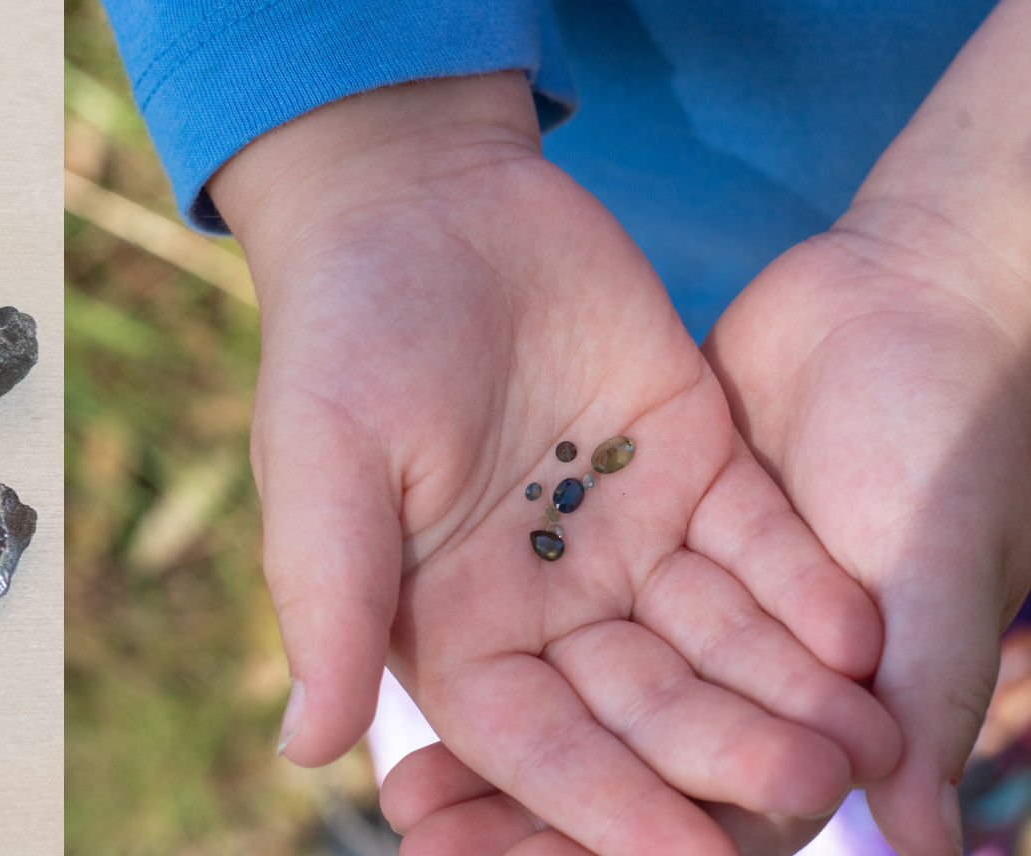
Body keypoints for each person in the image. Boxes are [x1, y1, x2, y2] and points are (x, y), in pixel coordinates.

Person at [99, 2, 1031, 854]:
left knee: (922, 581)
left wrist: (986, 257)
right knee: (487, 644)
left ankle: (997, 686)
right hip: (546, 239)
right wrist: (372, 145)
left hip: (964, 313)